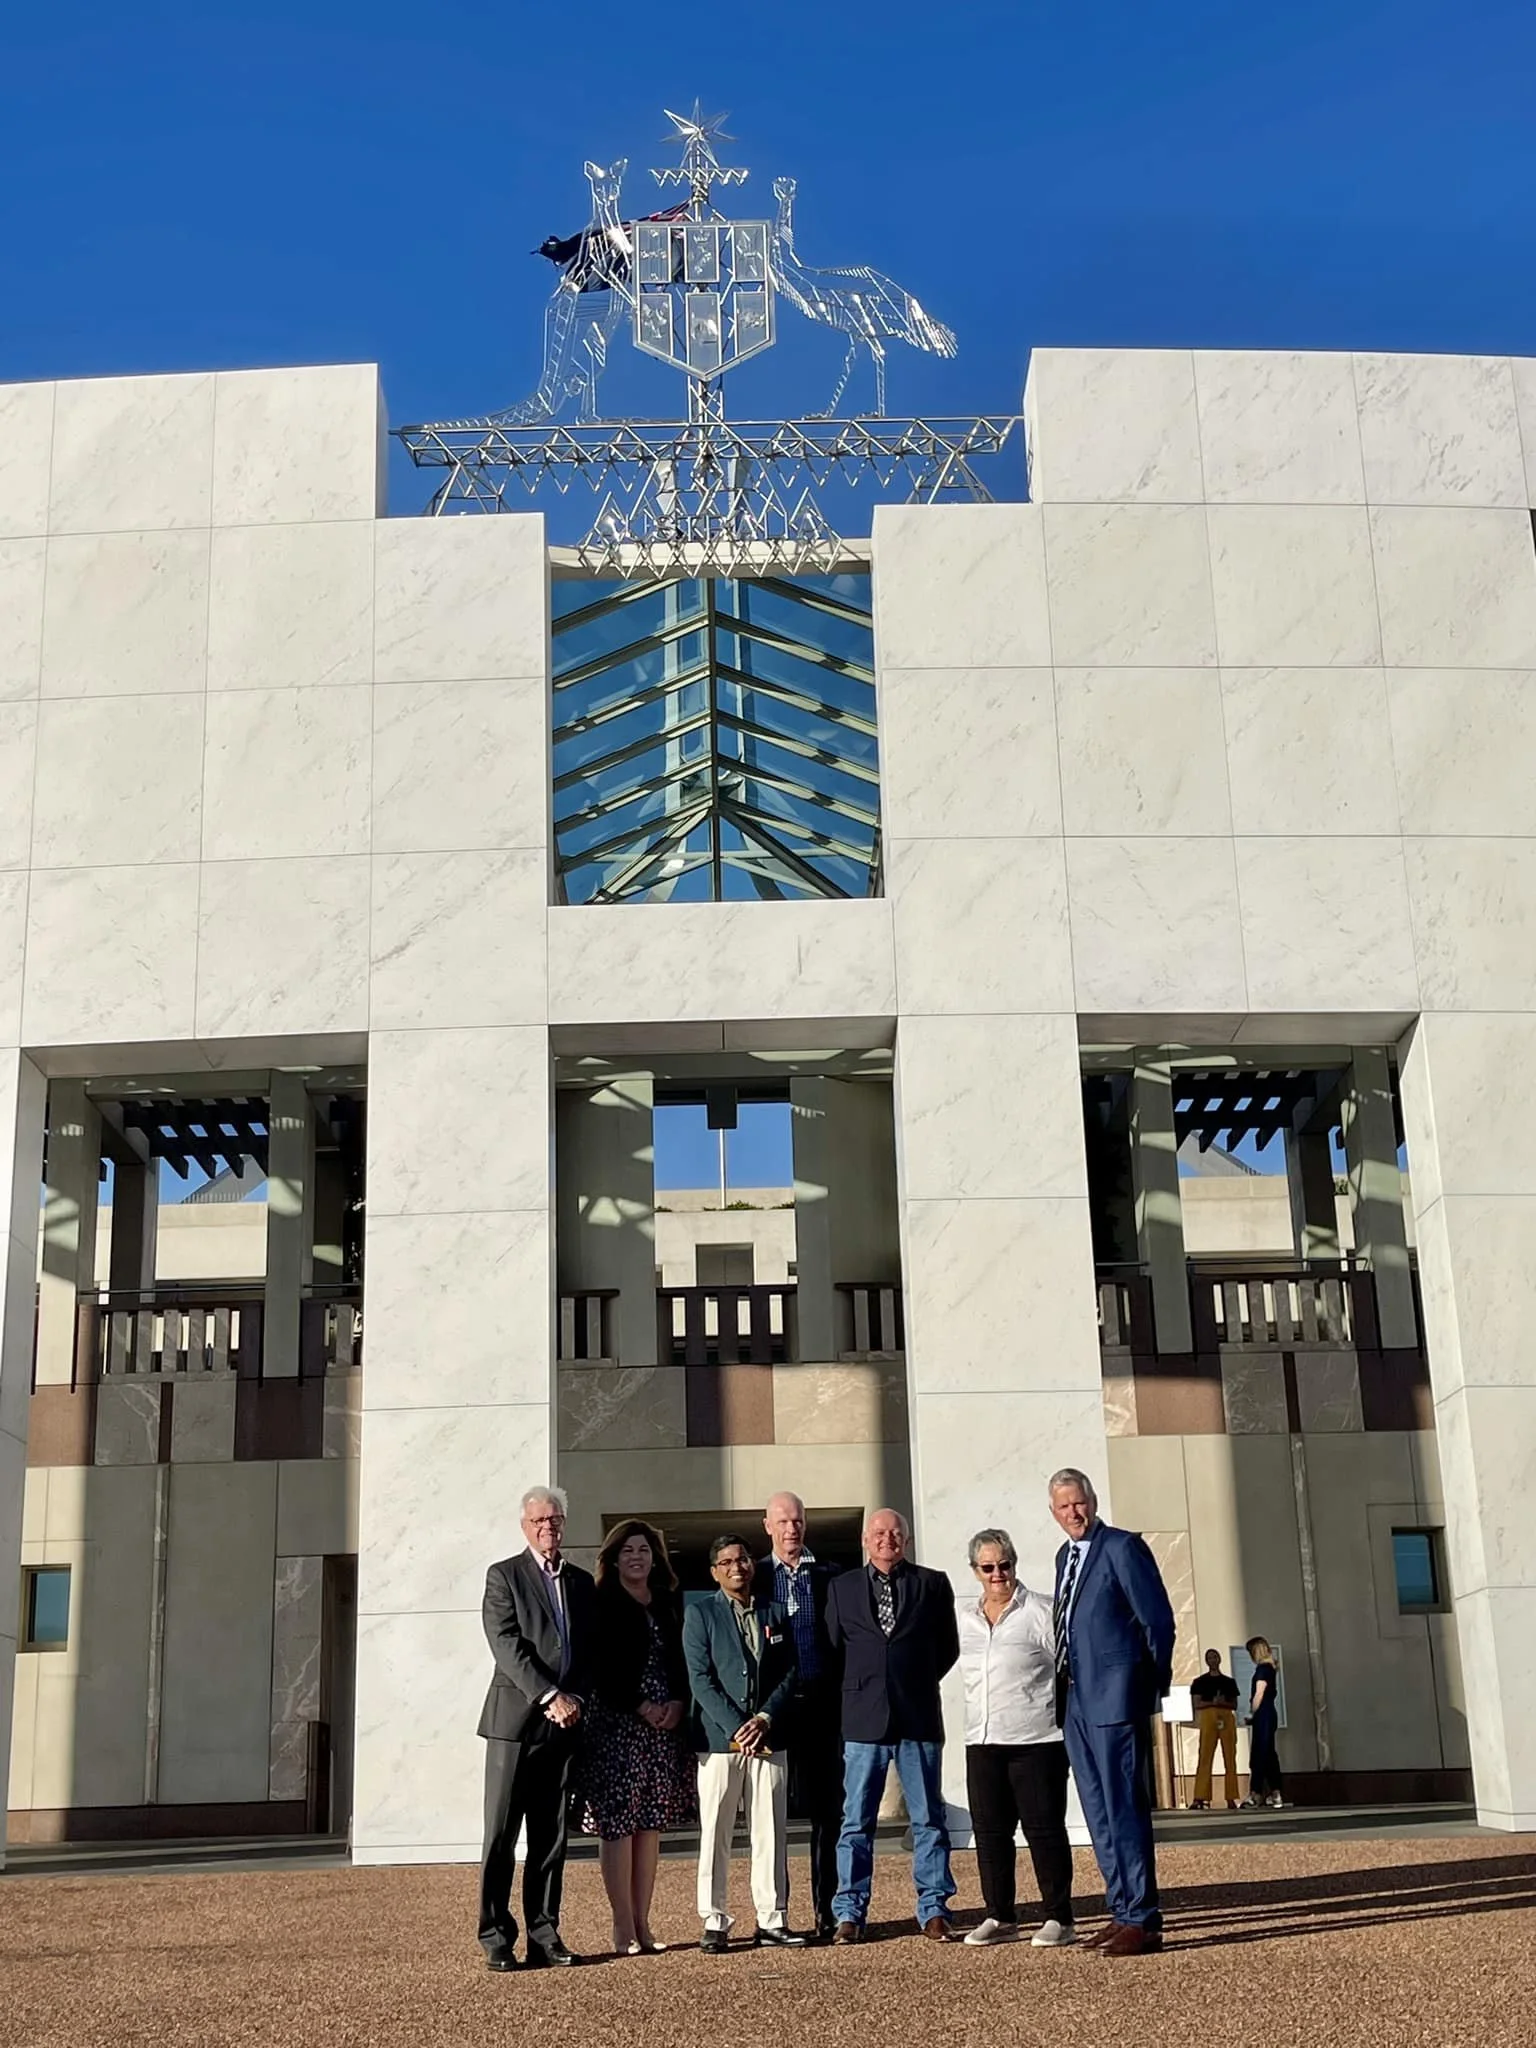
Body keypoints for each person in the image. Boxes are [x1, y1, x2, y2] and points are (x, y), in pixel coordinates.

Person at [1049, 1469, 1175, 1959]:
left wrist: (1146, 1685)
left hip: (1116, 1697)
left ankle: (1143, 1918)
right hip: (1075, 1700)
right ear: (1053, 1512)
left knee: (1124, 1807)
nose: (1073, 1513)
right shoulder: (1064, 1557)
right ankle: (1121, 1910)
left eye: (1078, 1503)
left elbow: (1157, 1622)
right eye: (1063, 1506)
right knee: (1098, 1812)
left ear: (1093, 1501)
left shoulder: (1122, 1548)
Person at [825, 1507, 960, 1943]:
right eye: (879, 1532)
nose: (888, 1539)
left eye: (896, 1533)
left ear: (907, 1540)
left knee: (929, 1819)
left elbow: (948, 1648)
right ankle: (849, 1913)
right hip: (863, 1719)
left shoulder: (932, 1584)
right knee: (855, 1822)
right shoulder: (842, 1587)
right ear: (866, 1540)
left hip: (917, 1717)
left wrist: (912, 1681)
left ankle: (934, 1909)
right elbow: (834, 1648)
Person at [477, 1484, 596, 1971]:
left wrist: (576, 1699)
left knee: (550, 1838)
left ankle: (544, 1935)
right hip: (515, 1725)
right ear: (524, 1526)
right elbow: (505, 1644)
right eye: (538, 1521)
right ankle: (495, 1937)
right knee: (501, 1836)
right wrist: (550, 1696)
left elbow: (588, 1650)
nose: (548, 1527)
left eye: (554, 1519)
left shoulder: (582, 1582)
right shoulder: (504, 1575)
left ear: (564, 1523)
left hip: (564, 1728)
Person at [574, 1519, 696, 1954]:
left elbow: (680, 1660)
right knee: (619, 1826)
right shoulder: (601, 1602)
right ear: (613, 1558)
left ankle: (644, 1923)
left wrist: (677, 1704)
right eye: (627, 1551)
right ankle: (622, 1925)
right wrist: (641, 1705)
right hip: (618, 1726)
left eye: (643, 1550)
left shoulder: (666, 1602)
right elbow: (599, 1668)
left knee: (649, 1825)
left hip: (662, 1729)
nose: (637, 1557)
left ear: (654, 1557)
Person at [683, 1533, 805, 1954]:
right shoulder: (700, 1614)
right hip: (720, 1742)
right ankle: (714, 1920)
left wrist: (764, 1719)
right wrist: (739, 1728)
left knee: (770, 1831)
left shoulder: (775, 1611)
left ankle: (772, 1919)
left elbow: (790, 1671)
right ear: (714, 1571)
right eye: (727, 1562)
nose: (737, 1567)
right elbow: (700, 1679)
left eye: (743, 1559)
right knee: (716, 1831)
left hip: (770, 1737)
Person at [956, 1528, 1075, 1948]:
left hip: (1036, 1741)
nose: (997, 1574)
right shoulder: (965, 1619)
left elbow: (1069, 1668)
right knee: (990, 1834)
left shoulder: (1042, 1611)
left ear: (1014, 1564)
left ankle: (1059, 1916)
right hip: (982, 1740)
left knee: (1044, 1831)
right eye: (988, 1567)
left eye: (1003, 1565)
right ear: (975, 1571)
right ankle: (1000, 1915)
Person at [755, 1490, 843, 1942]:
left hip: (824, 1705)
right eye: (783, 1521)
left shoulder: (832, 1576)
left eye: (798, 1521)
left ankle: (828, 1910)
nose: (792, 1529)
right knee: (770, 1815)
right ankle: (773, 1916)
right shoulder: (753, 1576)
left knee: (828, 1813)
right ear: (767, 1526)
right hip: (773, 1710)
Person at [1189, 1648, 1240, 1810]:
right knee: (1205, 1756)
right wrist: (1213, 1702)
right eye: (1210, 1657)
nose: (1213, 1660)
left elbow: (1234, 1704)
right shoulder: (1199, 1682)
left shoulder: (1229, 1682)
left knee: (1230, 1757)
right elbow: (1197, 1704)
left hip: (1226, 1717)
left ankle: (1231, 1797)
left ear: (1219, 1659)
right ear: (1206, 1661)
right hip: (1208, 1717)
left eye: (1215, 1656)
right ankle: (1200, 1797)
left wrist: (1222, 1702)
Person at [1242, 1636, 1285, 1809]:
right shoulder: (1271, 1668)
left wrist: (1252, 1713)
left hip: (1263, 1714)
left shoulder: (1262, 1670)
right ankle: (1275, 1792)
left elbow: (1259, 1693)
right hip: (1270, 1713)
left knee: (1259, 1754)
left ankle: (1255, 1793)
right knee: (1269, 1754)